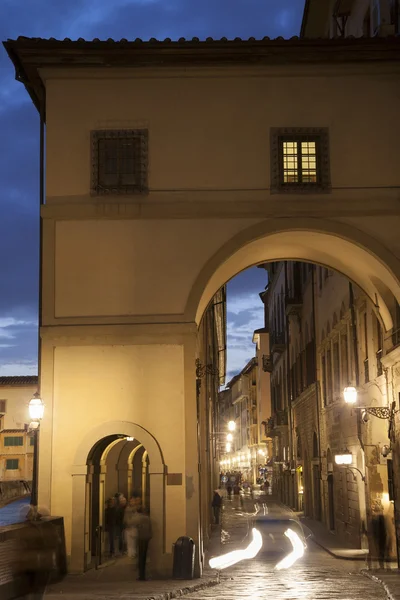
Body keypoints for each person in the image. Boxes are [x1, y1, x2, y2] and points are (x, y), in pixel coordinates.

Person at [136, 508, 152, 581]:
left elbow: (138, 528)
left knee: (141, 557)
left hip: (141, 538)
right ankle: (143, 575)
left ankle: (141, 575)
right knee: (144, 557)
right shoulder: (148, 519)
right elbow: (150, 529)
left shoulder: (140, 519)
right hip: (146, 539)